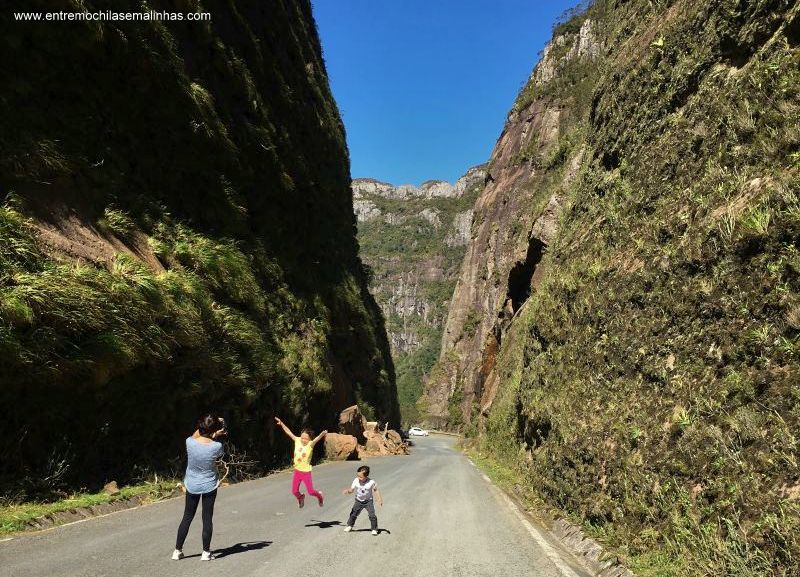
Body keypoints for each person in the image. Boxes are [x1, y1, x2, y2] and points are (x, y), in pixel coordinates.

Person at [172, 414, 226, 561]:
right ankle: (206, 553)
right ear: (213, 430)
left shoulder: (189, 442)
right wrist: (216, 434)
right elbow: (216, 451)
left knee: (187, 516)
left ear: (200, 426)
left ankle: (177, 551)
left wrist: (210, 428)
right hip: (209, 484)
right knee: (207, 518)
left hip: (192, 484)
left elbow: (197, 434)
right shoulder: (217, 446)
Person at [274, 416, 327, 508]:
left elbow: (317, 439)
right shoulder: (297, 440)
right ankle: (301, 497)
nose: (303, 440)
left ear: (309, 439)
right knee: (294, 491)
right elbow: (289, 432)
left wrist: (322, 434)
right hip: (297, 471)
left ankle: (320, 496)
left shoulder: (310, 444)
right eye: (302, 438)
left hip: (306, 472)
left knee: (311, 491)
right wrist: (282, 424)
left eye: (306, 438)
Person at [342, 465, 383, 535]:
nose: (358, 478)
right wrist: (348, 491)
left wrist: (379, 499)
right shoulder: (356, 480)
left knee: (372, 515)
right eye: (357, 475)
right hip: (358, 501)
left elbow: (376, 490)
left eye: (360, 477)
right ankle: (349, 526)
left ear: (366, 476)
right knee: (353, 514)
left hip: (368, 501)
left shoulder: (371, 482)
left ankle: (374, 529)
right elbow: (351, 490)